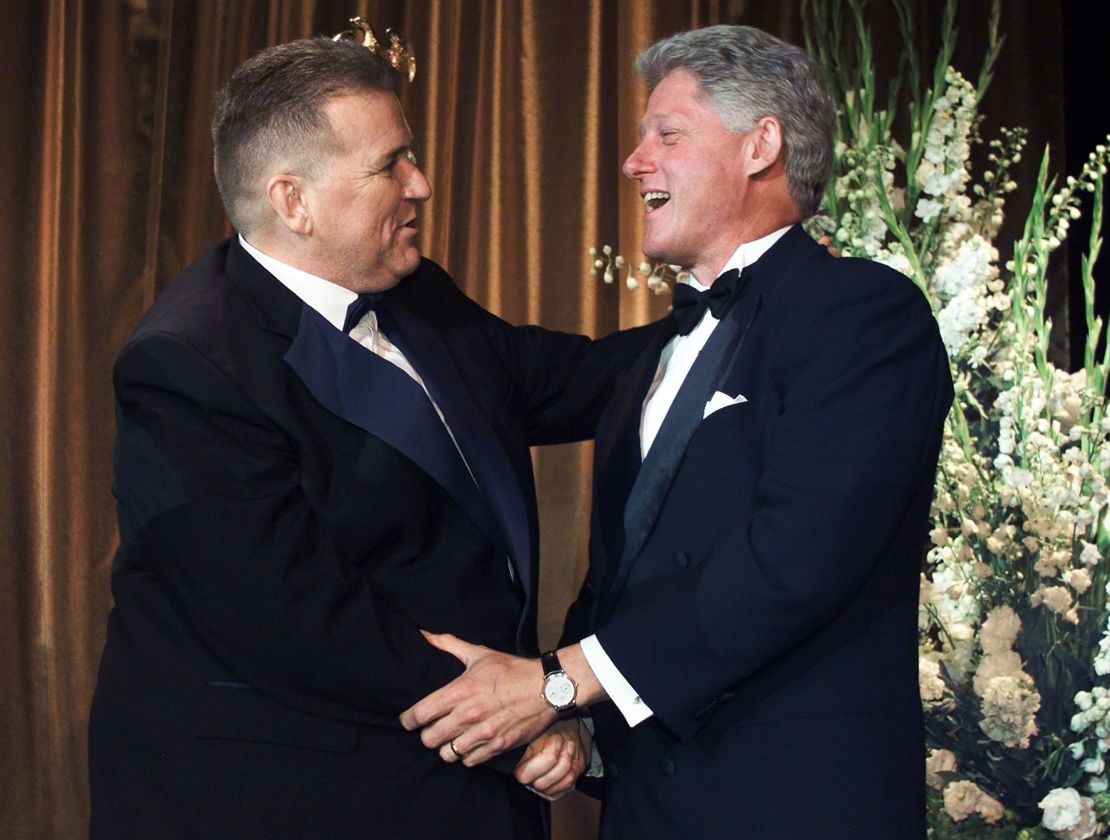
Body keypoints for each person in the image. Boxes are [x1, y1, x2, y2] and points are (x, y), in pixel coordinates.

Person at [87, 35, 655, 840]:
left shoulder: (412, 287)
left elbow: (566, 380)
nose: (420, 183)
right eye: (391, 164)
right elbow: (291, 617)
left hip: (449, 770)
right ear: (294, 202)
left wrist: (741, 316)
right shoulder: (184, 367)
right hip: (292, 793)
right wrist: (522, 709)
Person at [401, 24, 953, 839]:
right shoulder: (654, 357)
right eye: (637, 138)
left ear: (761, 145)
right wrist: (579, 728)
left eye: (667, 134)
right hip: (652, 807)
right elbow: (622, 577)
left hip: (794, 807)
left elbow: (794, 561)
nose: (634, 161)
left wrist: (556, 683)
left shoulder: (863, 315)